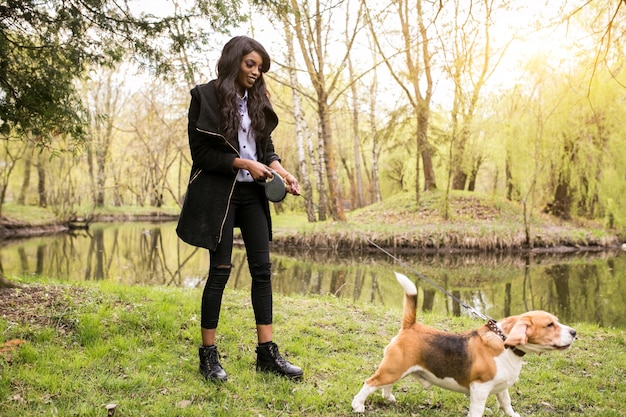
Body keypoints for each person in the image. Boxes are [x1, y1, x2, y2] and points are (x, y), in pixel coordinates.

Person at [176, 36, 303, 382]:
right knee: (220, 270)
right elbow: (201, 155)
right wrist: (243, 162)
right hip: (220, 195)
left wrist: (281, 170)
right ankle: (208, 357)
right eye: (250, 64)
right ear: (234, 61)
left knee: (262, 270)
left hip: (253, 196)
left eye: (260, 67)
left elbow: (268, 148)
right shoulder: (203, 97)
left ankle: (266, 354)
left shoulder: (257, 100)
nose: (256, 72)